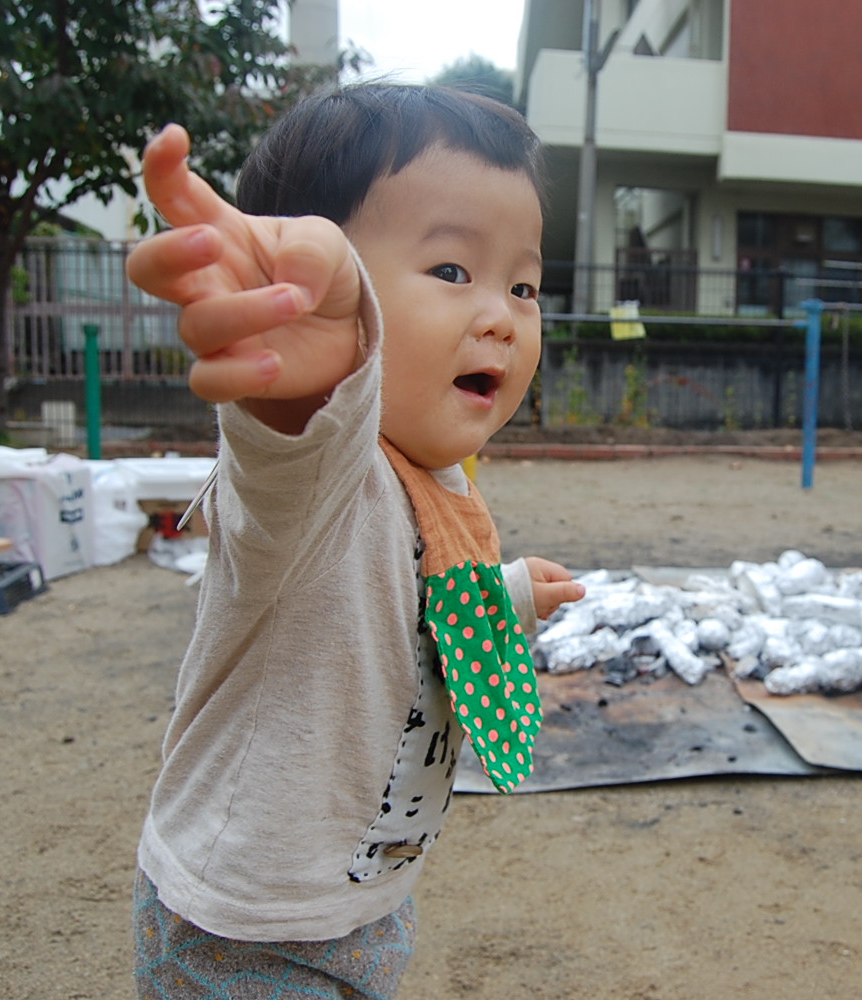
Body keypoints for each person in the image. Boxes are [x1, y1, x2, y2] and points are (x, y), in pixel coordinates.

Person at [124, 83, 586, 998]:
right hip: (248, 932)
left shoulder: (435, 476)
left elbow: (404, 605)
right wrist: (314, 365)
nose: (500, 313)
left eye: (523, 284)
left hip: (363, 897)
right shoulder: (325, 470)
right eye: (453, 272)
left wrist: (506, 594)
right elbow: (294, 438)